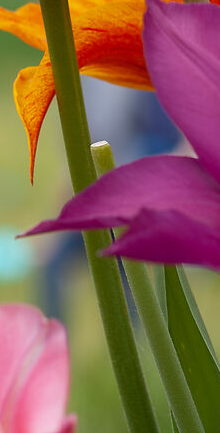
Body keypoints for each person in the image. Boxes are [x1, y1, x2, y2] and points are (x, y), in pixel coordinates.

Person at [36, 78, 179, 319]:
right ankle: (52, 342)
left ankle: (136, 343)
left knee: (130, 269)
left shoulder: (149, 84)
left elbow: (171, 148)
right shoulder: (85, 81)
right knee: (51, 262)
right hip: (102, 197)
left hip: (140, 200)